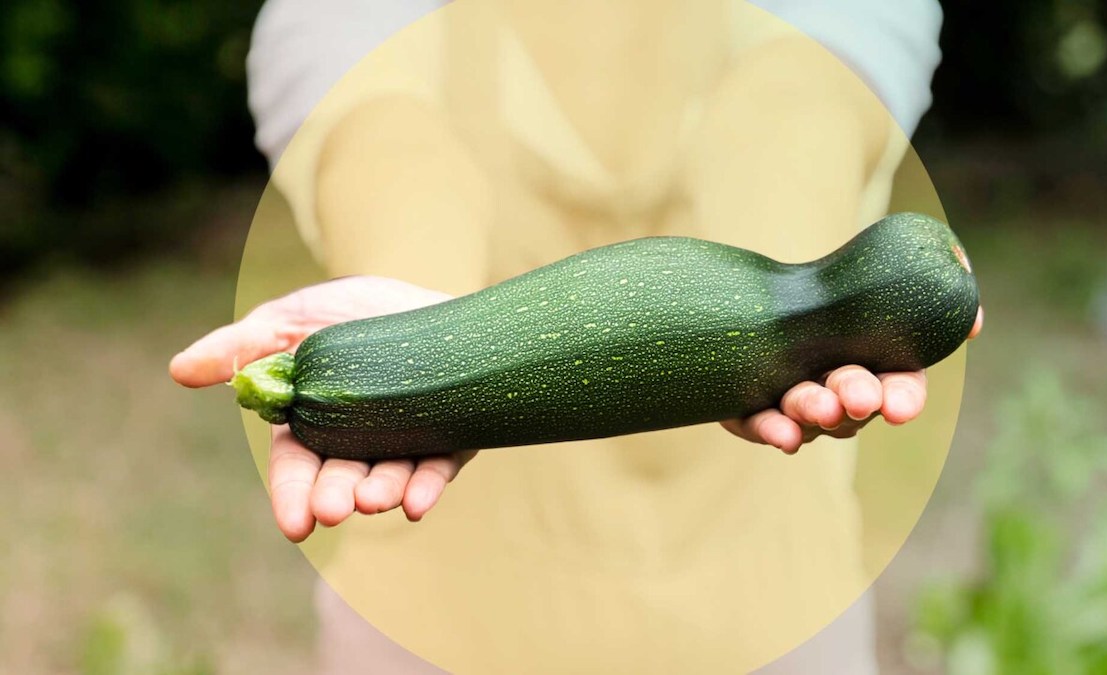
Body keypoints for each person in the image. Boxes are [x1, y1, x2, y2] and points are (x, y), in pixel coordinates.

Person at [171, 1, 980, 671]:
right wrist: (410, 312)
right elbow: (372, 100)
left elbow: (816, 78)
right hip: (449, 622)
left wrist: (791, 305)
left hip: (770, 609)